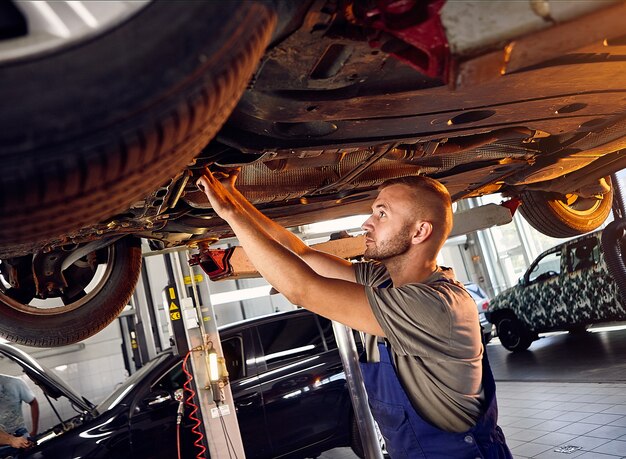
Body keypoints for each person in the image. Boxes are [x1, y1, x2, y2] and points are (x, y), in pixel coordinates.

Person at [196, 169, 511, 458]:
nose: (366, 223)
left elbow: (301, 288)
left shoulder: (435, 305)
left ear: (419, 232)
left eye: (381, 214)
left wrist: (229, 213)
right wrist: (232, 196)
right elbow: (302, 255)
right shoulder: (384, 279)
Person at [0, 374, 38, 457]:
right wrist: (10, 439)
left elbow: (33, 402)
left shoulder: (15, 382)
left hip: (20, 434)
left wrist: (34, 431)